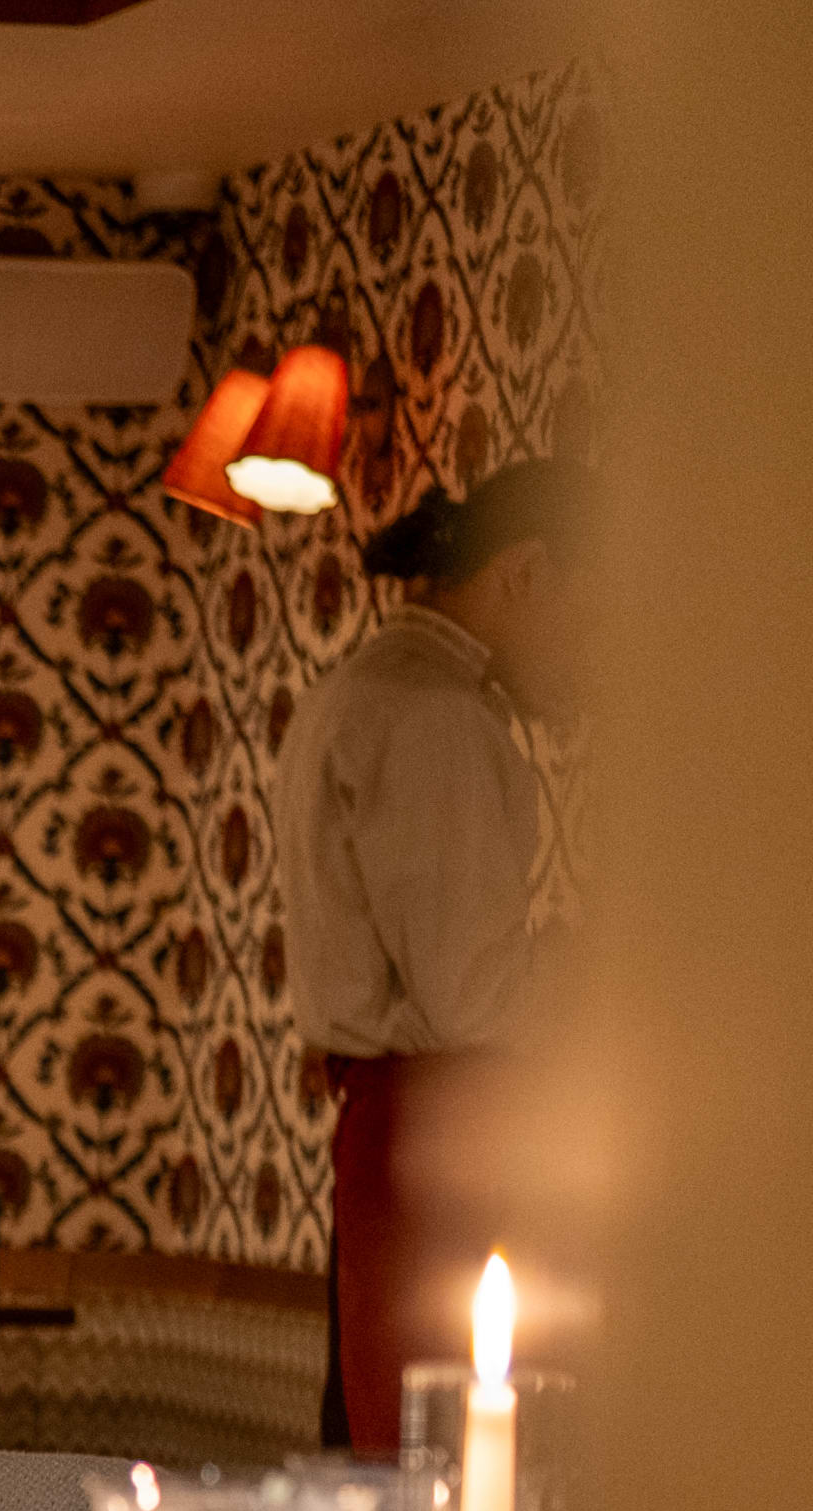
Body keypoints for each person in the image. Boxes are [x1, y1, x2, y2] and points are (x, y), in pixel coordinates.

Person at [273, 458, 587, 1450]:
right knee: (443, 1459)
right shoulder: (439, 714)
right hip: (439, 1129)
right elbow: (470, 999)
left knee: (393, 1448)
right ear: (527, 574)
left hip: (389, 1124)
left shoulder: (359, 691)